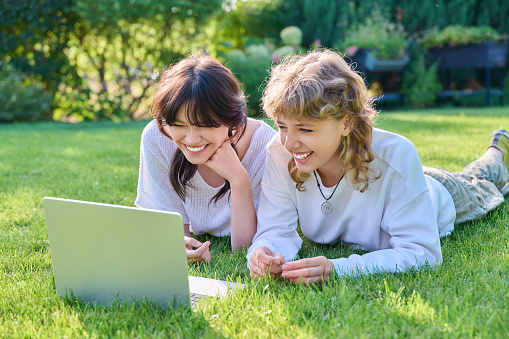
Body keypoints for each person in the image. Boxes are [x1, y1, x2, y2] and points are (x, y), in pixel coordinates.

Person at [247, 49, 509, 284]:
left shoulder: (397, 155)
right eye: (282, 126)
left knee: (480, 185)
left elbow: (422, 253)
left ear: (346, 123)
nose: (289, 142)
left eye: (305, 129)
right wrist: (265, 250)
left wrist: (339, 268)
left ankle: (497, 153)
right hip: (405, 180)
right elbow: (275, 229)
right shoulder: (280, 153)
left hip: (440, 194)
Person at [135, 54, 276, 263]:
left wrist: (239, 179)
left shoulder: (265, 145)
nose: (191, 139)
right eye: (179, 125)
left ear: (231, 118)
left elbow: (244, 248)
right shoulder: (158, 137)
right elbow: (171, 226)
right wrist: (181, 247)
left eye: (204, 125)